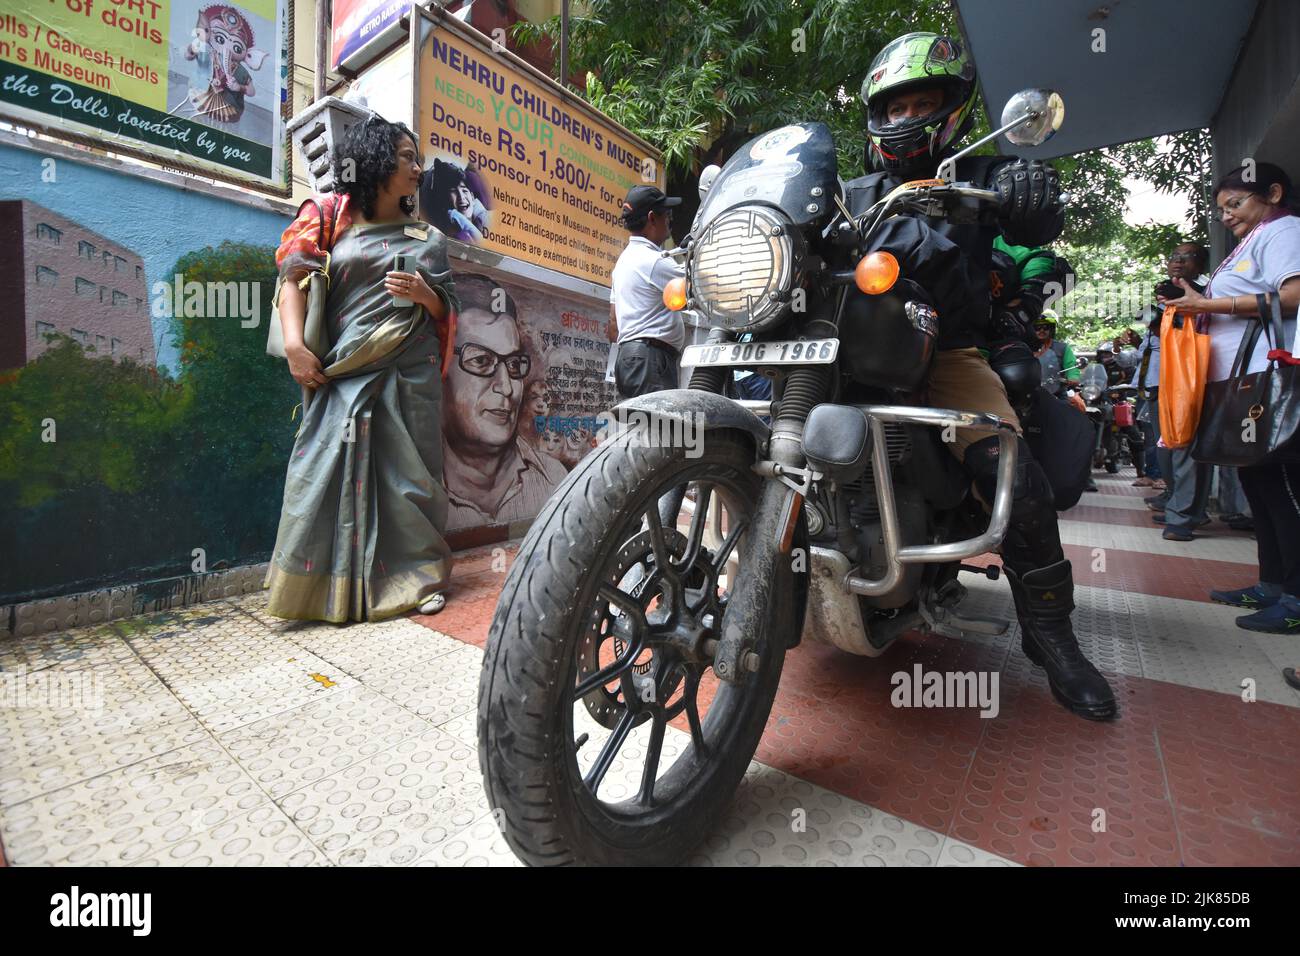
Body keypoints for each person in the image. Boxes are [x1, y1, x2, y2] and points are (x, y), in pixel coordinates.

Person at [848, 31, 1115, 720]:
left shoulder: (985, 172)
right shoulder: (850, 187)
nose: (906, 118)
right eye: (895, 107)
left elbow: (1040, 219)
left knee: (1011, 472)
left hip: (945, 350)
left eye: (922, 103)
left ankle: (1052, 638)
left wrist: (1030, 189)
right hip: (843, 344)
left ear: (953, 110)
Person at [267, 116, 458, 621]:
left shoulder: (427, 237)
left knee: (410, 482)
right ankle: (321, 590)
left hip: (409, 376)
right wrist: (294, 346)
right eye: (406, 157)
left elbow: (447, 313)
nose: (417, 169)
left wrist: (426, 296)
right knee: (319, 474)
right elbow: (293, 277)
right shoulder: (329, 215)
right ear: (375, 161)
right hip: (342, 373)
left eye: (417, 159)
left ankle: (417, 580)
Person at [1161, 162, 1300, 633]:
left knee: (1284, 489)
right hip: (1242, 386)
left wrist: (1206, 304)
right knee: (1260, 486)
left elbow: (1293, 296)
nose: (1226, 216)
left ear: (1274, 193)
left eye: (1235, 204)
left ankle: (1297, 602)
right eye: (1221, 209)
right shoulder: (1251, 241)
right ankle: (1273, 585)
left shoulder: (1284, 230)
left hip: (1272, 381)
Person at [442, 275, 567, 530]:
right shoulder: (412, 488)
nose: (507, 386)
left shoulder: (555, 480)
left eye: (513, 365)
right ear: (440, 369)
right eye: (481, 361)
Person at [1146, 242, 1213, 541]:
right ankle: (1180, 505)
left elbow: (1209, 323)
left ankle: (1184, 515)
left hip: (1193, 376)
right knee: (1168, 446)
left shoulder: (1210, 291)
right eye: (1174, 256)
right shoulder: (1165, 295)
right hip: (1164, 378)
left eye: (1187, 258)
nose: (1178, 262)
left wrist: (1188, 299)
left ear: (1200, 264)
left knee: (1186, 445)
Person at [609, 185, 686, 399]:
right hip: (650, 359)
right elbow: (699, 288)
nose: (669, 220)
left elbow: (613, 324)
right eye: (667, 214)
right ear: (652, 218)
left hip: (629, 358)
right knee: (659, 430)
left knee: (640, 428)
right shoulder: (654, 261)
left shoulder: (623, 262)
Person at [1130, 310, 1165, 487]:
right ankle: (1152, 473)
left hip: (1161, 385)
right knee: (1150, 434)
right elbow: (1142, 356)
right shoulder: (1150, 335)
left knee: (1162, 436)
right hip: (1148, 386)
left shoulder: (1173, 320)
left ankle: (1163, 477)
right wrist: (1137, 343)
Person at [420, 158, 491, 243]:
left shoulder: (487, 220)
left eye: (464, 190)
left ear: (472, 197)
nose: (461, 197)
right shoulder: (451, 235)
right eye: (453, 192)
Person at [1032, 309, 1080, 388]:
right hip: (1031, 389)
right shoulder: (1026, 348)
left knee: (1067, 399)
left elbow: (1071, 365)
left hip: (1056, 389)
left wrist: (1073, 378)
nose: (1041, 330)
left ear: (1052, 329)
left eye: (1045, 327)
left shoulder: (1062, 348)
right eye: (1037, 327)